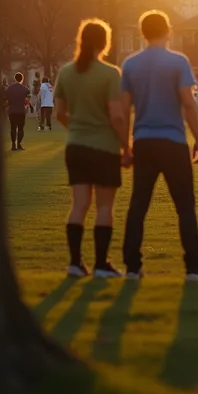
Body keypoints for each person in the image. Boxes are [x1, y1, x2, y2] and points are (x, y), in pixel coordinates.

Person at [120, 10, 198, 281]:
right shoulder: (178, 62)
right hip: (172, 141)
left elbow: (124, 109)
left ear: (142, 32)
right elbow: (188, 102)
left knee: (138, 205)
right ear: (168, 30)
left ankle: (132, 268)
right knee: (185, 206)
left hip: (144, 142)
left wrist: (126, 146)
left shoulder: (131, 64)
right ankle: (193, 268)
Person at [54, 20, 127, 278]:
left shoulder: (66, 72)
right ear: (104, 42)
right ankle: (100, 264)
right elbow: (116, 116)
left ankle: (75, 263)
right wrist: (126, 147)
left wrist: (77, 128)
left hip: (75, 146)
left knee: (79, 204)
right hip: (104, 147)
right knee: (104, 207)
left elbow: (59, 113)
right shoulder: (110, 74)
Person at [3, 72, 31, 151]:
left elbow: (6, 101)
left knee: (13, 128)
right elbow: (27, 101)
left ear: (15, 78)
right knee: (21, 129)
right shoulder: (26, 89)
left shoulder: (8, 89)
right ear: (22, 78)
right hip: (21, 111)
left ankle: (13, 145)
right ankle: (19, 144)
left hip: (12, 111)